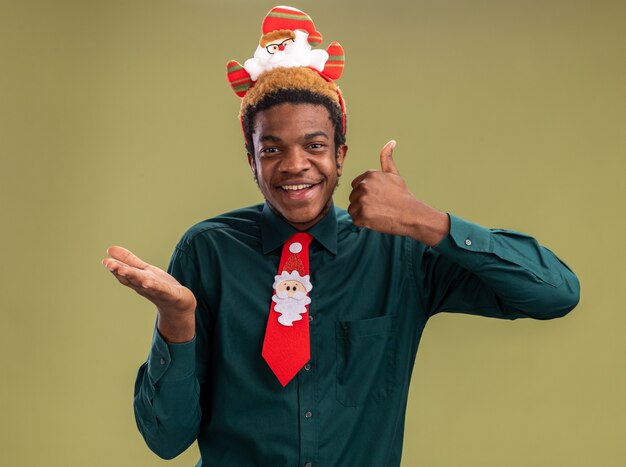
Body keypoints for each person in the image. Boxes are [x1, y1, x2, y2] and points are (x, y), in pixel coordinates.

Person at [102, 6, 580, 466]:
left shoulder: (399, 251)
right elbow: (166, 439)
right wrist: (177, 318)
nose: (294, 165)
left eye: (314, 145)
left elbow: (556, 293)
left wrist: (423, 220)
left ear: (341, 154)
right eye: (271, 149)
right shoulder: (208, 250)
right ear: (252, 159)